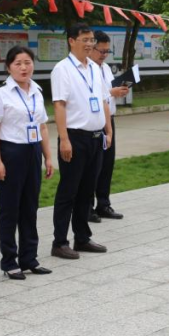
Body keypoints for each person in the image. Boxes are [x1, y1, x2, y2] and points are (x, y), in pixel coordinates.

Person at [0, 47, 54, 279]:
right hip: (11, 152)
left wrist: (48, 156)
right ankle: (9, 261)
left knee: (30, 208)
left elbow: (43, 126)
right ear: (8, 67)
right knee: (9, 209)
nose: (24, 67)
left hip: (32, 151)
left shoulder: (36, 90)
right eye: (18, 63)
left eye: (27, 62)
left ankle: (29, 258)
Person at [49, 22, 111, 259]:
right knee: (69, 191)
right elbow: (59, 105)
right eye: (84, 40)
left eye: (91, 40)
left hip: (96, 137)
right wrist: (64, 139)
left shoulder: (95, 68)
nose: (89, 44)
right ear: (71, 41)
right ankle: (59, 242)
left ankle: (82, 238)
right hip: (74, 138)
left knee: (87, 191)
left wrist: (108, 128)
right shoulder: (62, 69)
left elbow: (103, 100)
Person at [89, 30, 129, 222]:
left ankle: (103, 204)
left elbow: (108, 92)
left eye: (107, 51)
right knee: (92, 167)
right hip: (93, 122)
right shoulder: (87, 69)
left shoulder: (104, 68)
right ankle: (87, 207)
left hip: (109, 119)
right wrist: (110, 92)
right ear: (91, 48)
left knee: (107, 164)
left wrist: (117, 90)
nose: (103, 55)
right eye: (100, 51)